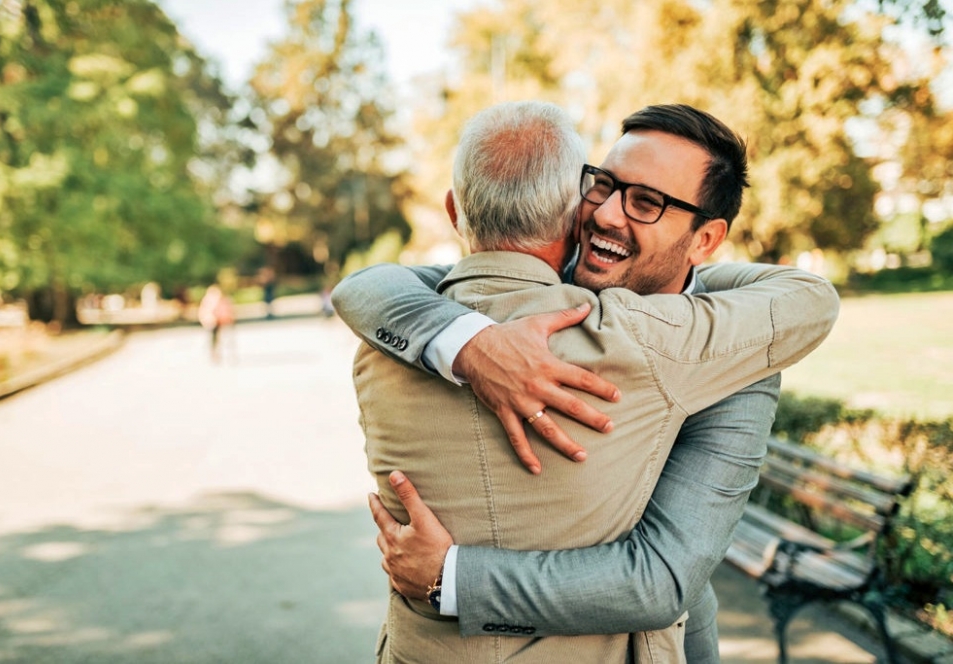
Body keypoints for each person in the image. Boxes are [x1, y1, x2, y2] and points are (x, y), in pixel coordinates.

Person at [344, 101, 839, 662]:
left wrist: (451, 578)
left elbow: (661, 581)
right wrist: (469, 345)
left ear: (704, 240)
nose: (604, 214)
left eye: (647, 203)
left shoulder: (734, 359)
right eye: (602, 186)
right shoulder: (515, 298)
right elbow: (373, 286)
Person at [198, 283, 235, 363]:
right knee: (214, 339)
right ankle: (214, 353)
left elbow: (228, 310)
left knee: (225, 339)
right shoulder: (209, 301)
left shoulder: (222, 299)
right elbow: (205, 312)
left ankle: (224, 354)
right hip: (213, 322)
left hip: (222, 321)